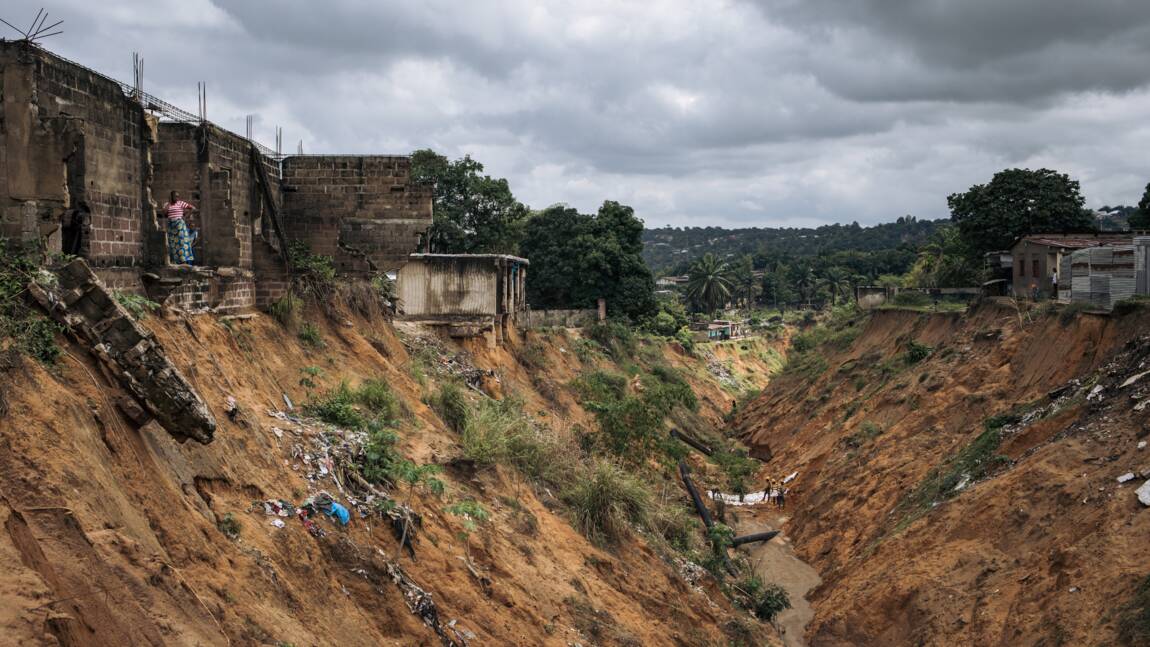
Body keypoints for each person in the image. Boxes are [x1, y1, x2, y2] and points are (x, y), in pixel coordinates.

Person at [161, 191, 197, 264]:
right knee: (172, 242)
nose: (177, 198)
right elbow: (164, 213)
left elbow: (193, 208)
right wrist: (169, 203)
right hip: (171, 225)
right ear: (171, 197)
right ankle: (175, 261)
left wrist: (185, 217)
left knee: (182, 242)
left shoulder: (180, 203)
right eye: (175, 196)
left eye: (178, 196)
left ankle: (184, 261)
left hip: (180, 224)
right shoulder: (167, 204)